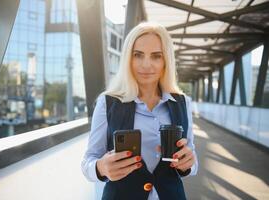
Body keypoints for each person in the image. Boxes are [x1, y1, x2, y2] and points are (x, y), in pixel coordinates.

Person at [81, 22, 198, 200]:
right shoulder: (108, 103)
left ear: (166, 60)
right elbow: (88, 161)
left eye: (156, 56)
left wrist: (188, 163)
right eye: (138, 55)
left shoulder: (182, 103)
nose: (146, 64)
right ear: (128, 58)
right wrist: (101, 167)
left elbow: (192, 161)